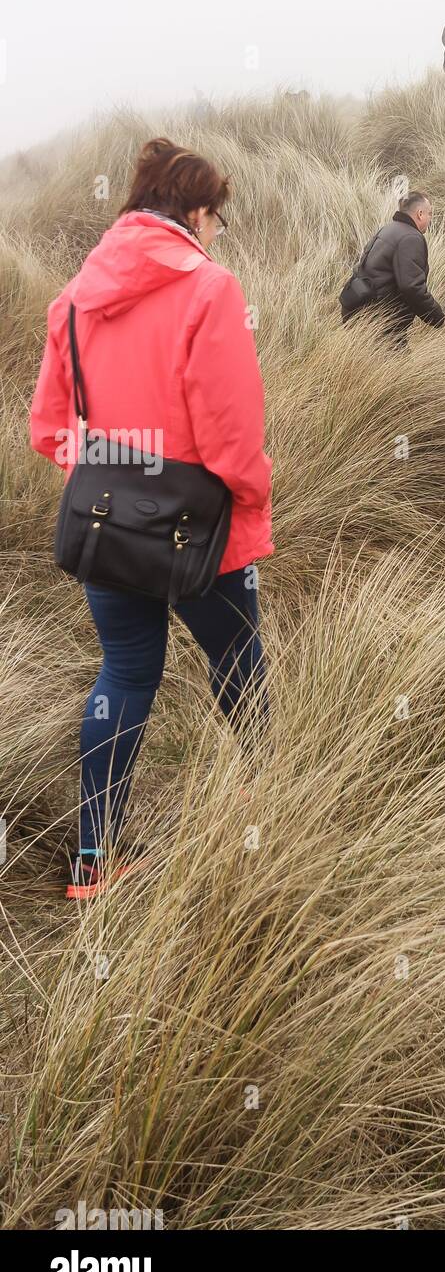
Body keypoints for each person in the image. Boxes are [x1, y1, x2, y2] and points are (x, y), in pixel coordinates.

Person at [29, 138, 272, 899]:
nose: (215, 230)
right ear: (196, 211)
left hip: (106, 525)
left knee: (124, 676)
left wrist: (115, 475)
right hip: (202, 532)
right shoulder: (210, 289)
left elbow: (48, 428)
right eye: (216, 217)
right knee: (241, 669)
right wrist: (255, 495)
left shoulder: (74, 298)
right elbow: (231, 437)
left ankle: (90, 863)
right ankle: (270, 806)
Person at [343, 192, 445, 343]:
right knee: (395, 361)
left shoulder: (388, 229)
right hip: (383, 321)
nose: (430, 219)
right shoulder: (411, 237)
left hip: (361, 311)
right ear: (420, 214)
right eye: (429, 214)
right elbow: (411, 287)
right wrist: (437, 317)